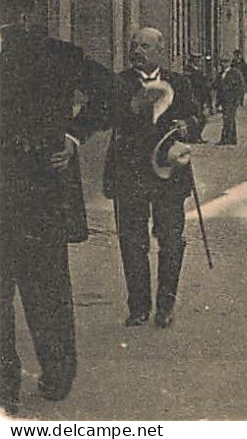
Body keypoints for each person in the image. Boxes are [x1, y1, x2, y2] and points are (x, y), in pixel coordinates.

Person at [1, 0, 103, 412]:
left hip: (36, 192)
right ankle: (19, 384)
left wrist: (73, 137)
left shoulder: (55, 55)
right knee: (28, 293)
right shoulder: (57, 53)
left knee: (44, 291)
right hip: (25, 195)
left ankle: (52, 376)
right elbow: (111, 94)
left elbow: (110, 93)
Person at [77, 27, 203, 329]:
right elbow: (99, 116)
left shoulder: (179, 83)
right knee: (132, 242)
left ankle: (165, 306)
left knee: (171, 241)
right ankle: (138, 307)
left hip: (169, 174)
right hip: (129, 173)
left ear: (160, 50)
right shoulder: (119, 83)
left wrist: (188, 125)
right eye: (134, 45)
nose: (138, 51)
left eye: (145, 46)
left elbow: (198, 118)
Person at [216, 53, 246, 145]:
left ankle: (225, 139)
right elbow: (218, 87)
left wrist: (239, 99)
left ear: (229, 63)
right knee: (230, 119)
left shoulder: (235, 73)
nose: (223, 64)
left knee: (228, 119)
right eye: (221, 62)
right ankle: (232, 138)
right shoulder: (221, 74)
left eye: (225, 62)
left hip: (231, 100)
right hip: (223, 100)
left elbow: (241, 87)